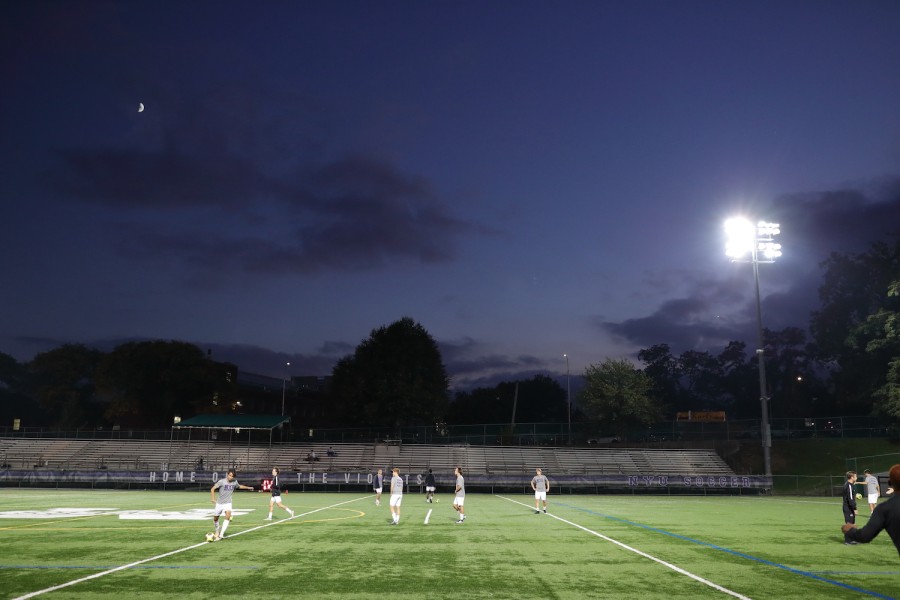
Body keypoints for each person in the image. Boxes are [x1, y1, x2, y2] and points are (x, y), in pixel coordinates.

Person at [842, 464, 900, 557]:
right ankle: (848, 541)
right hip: (850, 507)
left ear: (890, 482)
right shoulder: (849, 485)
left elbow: (865, 536)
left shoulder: (884, 509)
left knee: (871, 505)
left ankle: (849, 540)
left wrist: (850, 530)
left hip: (857, 505)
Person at [210, 469, 255, 541]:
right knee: (215, 519)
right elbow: (212, 489)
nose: (230, 477)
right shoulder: (221, 482)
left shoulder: (234, 482)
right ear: (227, 474)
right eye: (230, 475)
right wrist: (213, 498)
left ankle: (221, 534)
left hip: (228, 503)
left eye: (232, 476)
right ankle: (217, 532)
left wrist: (248, 487)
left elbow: (239, 486)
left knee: (228, 516)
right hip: (219, 503)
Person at [841, 470, 858, 545]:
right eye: (856, 476)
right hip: (848, 508)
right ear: (852, 477)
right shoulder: (849, 485)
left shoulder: (850, 485)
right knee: (849, 524)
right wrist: (854, 509)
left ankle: (851, 540)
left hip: (849, 507)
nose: (856, 477)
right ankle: (847, 541)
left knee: (852, 524)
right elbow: (850, 499)